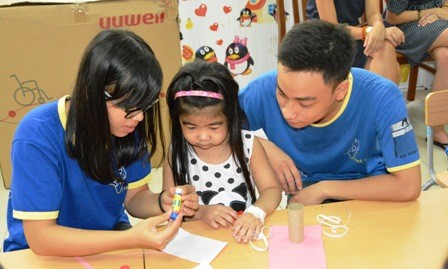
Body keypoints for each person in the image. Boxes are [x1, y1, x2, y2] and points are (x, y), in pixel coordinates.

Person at [3, 29, 199, 256]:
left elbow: (134, 197)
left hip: (107, 242)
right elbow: (41, 238)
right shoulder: (37, 134)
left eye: (145, 106)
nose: (139, 117)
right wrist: (129, 238)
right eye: (129, 108)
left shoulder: (127, 126)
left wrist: (161, 202)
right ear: (92, 93)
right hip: (37, 254)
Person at [238, 20, 422, 206]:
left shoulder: (383, 97)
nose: (288, 112)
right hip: (299, 188)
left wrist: (324, 189)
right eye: (282, 94)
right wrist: (260, 145)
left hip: (367, 187)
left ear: (340, 90)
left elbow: (408, 186)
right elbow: (215, 124)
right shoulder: (262, 89)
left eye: (305, 103)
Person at [163, 60, 282, 243]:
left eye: (214, 126)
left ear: (231, 118)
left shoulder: (248, 145)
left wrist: (255, 212)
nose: (203, 136)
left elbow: (272, 190)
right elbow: (170, 205)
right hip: (199, 241)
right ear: (178, 121)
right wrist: (201, 212)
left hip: (242, 237)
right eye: (191, 127)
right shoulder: (177, 153)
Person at [385, 0, 448, 149]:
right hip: (405, 27)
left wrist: (442, 11)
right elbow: (392, 17)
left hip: (439, 22)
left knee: (446, 58)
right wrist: (431, 12)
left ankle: (436, 128)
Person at [306, 0, 404, 84]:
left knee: (386, 48)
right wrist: (368, 31)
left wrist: (378, 27)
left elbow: (373, 13)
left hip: (353, 33)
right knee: (390, 65)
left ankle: (376, 104)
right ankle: (377, 103)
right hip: (324, 37)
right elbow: (331, 27)